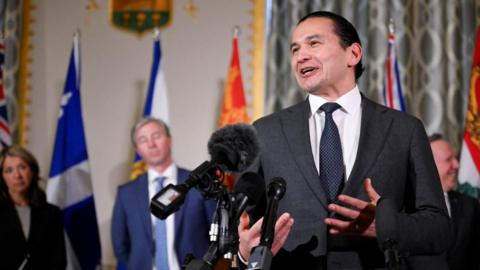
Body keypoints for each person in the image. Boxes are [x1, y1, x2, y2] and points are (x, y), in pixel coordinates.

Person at [237, 11, 451, 269]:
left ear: (353, 54)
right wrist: (244, 253)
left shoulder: (403, 129)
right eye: (295, 49)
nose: (300, 56)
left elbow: (438, 229)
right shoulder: (266, 131)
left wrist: (385, 226)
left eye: (314, 43)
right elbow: (242, 223)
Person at [111, 117, 215, 270]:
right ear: (138, 149)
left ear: (169, 140)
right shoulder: (126, 193)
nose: (151, 144)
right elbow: (120, 246)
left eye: (156, 136)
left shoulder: (199, 183)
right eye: (143, 139)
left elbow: (217, 235)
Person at [0, 145, 66, 270]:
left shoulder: (52, 213)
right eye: (9, 170)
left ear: (33, 171)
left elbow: (58, 261)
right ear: (2, 177)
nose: (17, 175)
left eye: (22, 167)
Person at [429, 134, 480, 270]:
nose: (457, 165)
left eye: (455, 158)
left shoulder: (470, 205)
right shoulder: (405, 207)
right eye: (448, 159)